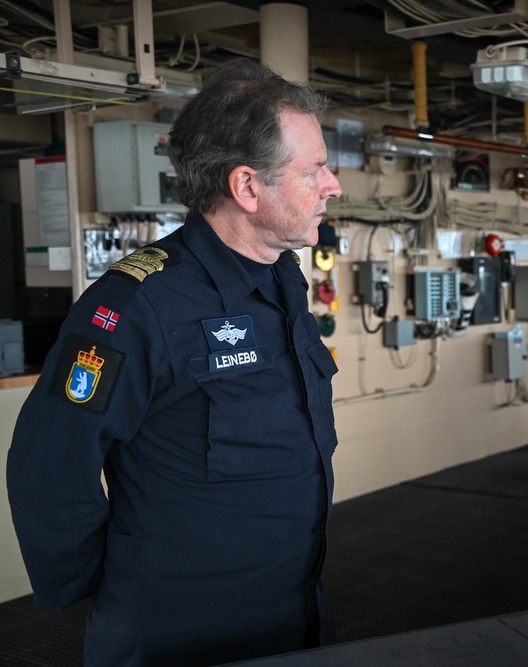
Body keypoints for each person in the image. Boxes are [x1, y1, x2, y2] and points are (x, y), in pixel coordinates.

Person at [6, 58, 342, 666]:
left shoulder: (284, 280)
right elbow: (50, 463)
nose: (333, 184)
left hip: (292, 610)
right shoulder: (137, 306)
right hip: (180, 630)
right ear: (247, 187)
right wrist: (115, 585)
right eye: (316, 168)